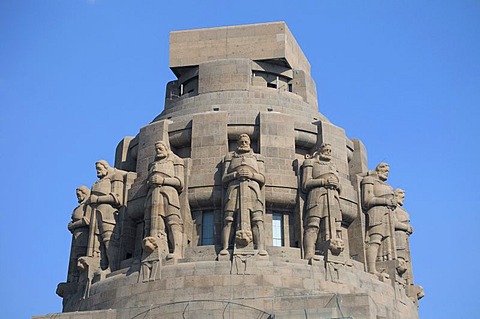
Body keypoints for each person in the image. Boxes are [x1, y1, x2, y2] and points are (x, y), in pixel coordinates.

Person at [220, 134, 267, 256]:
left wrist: (252, 175)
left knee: (257, 219)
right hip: (233, 189)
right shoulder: (230, 157)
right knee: (228, 218)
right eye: (241, 142)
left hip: (253, 189)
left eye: (246, 142)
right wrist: (235, 175)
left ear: (250, 143)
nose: (244, 144)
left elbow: (262, 178)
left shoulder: (257, 158)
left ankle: (260, 248)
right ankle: (225, 248)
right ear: (237, 143)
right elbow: (224, 178)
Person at [302, 143, 344, 260]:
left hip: (334, 198)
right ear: (319, 150)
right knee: (313, 224)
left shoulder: (333, 167)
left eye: (330, 150)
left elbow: (340, 187)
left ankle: (336, 254)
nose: (328, 152)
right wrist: (323, 182)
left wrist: (336, 184)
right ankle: (309, 253)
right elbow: (306, 183)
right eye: (326, 149)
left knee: (337, 226)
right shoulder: (310, 163)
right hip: (317, 196)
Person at [144, 141, 184, 260]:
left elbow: (179, 182)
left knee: (173, 221)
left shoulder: (176, 160)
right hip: (152, 195)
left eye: (160, 148)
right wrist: (150, 182)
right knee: (150, 223)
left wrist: (163, 180)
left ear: (166, 148)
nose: (158, 151)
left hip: (169, 194)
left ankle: (177, 250)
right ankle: (156, 248)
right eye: (156, 149)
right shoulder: (152, 165)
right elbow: (147, 183)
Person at [87, 160, 124, 272]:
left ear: (106, 167)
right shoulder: (95, 184)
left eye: (99, 168)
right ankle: (103, 266)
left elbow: (117, 198)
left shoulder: (114, 178)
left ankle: (112, 266)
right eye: (96, 169)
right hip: (95, 213)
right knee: (98, 242)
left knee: (109, 240)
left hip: (108, 212)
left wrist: (98, 199)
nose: (98, 171)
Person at [361, 162, 396, 276]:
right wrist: (385, 201)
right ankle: (371, 269)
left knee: (383, 242)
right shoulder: (369, 180)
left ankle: (379, 268)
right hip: (376, 213)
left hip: (387, 214)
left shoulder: (387, 186)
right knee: (375, 240)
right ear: (378, 169)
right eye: (385, 171)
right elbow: (367, 200)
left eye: (388, 172)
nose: (387, 174)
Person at [66, 186, 91, 283]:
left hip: (83, 234)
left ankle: (80, 278)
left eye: (79, 195)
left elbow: (86, 220)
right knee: (74, 258)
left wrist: (73, 225)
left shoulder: (88, 205)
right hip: (76, 235)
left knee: (80, 255)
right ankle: (73, 280)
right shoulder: (80, 205)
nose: (78, 197)